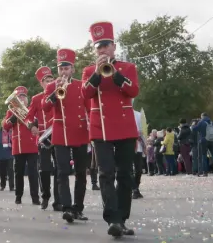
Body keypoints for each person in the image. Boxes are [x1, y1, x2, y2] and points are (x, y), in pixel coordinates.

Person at [81, 21, 140, 238]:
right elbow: (85, 94)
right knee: (106, 174)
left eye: (106, 45)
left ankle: (122, 219)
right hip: (101, 129)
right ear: (95, 50)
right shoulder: (88, 70)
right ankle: (112, 220)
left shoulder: (128, 68)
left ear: (114, 46)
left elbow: (133, 91)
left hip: (124, 127)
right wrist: (97, 73)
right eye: (99, 46)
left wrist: (115, 74)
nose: (103, 49)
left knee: (125, 174)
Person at [35, 49, 90, 223]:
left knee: (81, 173)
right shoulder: (52, 86)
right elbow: (44, 106)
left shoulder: (81, 85)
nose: (64, 72)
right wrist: (56, 90)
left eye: (67, 68)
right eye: (61, 68)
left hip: (80, 131)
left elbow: (89, 107)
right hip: (61, 133)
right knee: (63, 172)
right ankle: (66, 208)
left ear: (72, 69)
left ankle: (78, 208)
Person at [24, 66, 58, 209]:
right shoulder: (37, 98)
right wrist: (32, 126)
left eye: (51, 80)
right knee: (44, 168)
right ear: (41, 83)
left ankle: (59, 200)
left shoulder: (59, 93)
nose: (49, 82)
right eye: (46, 81)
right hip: (44, 137)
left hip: (58, 134)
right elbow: (28, 117)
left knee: (60, 169)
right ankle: (45, 196)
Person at [3, 86, 40, 206]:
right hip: (18, 146)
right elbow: (5, 126)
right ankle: (18, 196)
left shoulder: (32, 109)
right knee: (18, 173)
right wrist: (13, 117)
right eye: (19, 97)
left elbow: (38, 122)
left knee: (33, 172)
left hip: (31, 145)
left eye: (23, 97)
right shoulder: (11, 110)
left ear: (27, 99)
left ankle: (35, 197)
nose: (21, 99)